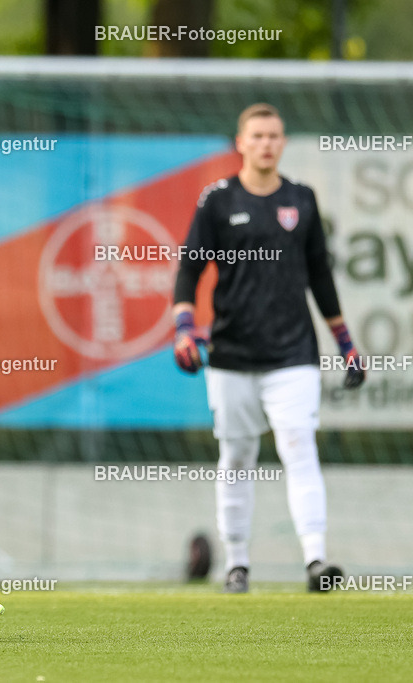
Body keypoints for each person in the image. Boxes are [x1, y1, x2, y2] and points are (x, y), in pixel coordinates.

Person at [172, 103, 365, 594]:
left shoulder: (302, 199)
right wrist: (184, 327)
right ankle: (237, 564)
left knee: (300, 448)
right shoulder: (216, 201)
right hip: (232, 356)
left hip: (292, 353)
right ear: (241, 142)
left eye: (274, 135)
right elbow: (189, 269)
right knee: (236, 456)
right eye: (256, 135)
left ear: (283, 142)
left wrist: (346, 344)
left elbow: (320, 275)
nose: (266, 143)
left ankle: (316, 562)